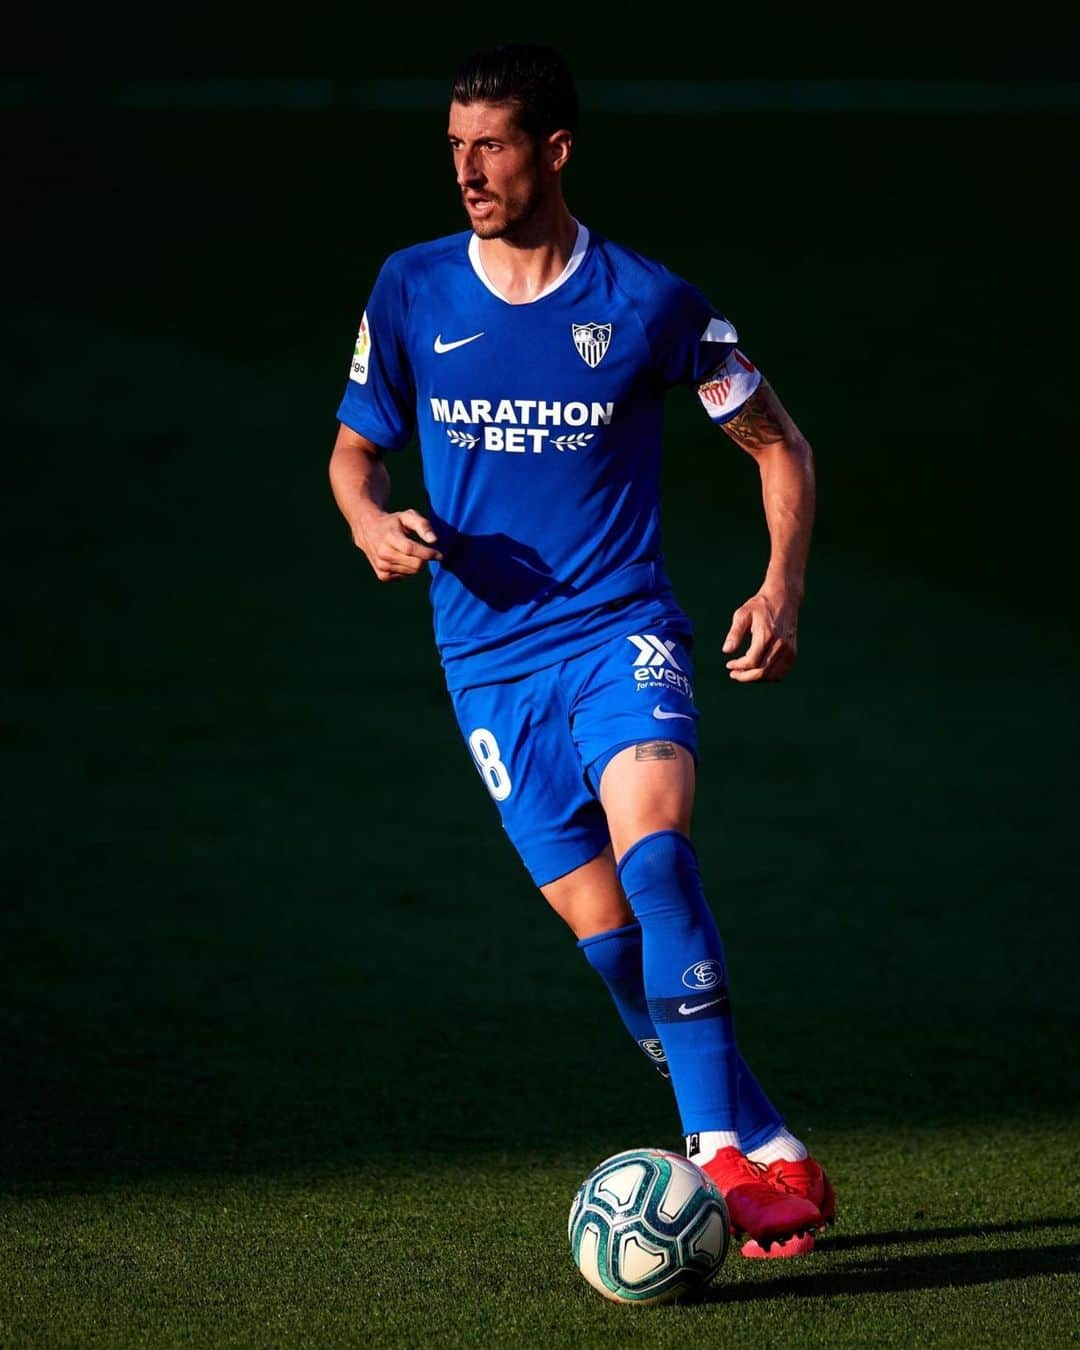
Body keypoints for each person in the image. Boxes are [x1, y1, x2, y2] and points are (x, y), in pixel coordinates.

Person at [329, 43, 830, 1258]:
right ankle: (776, 1154)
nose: (468, 171)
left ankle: (711, 1156)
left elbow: (781, 448)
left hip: (620, 632)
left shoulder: (646, 302)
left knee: (658, 865)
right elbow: (354, 455)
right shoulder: (410, 290)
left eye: (491, 144)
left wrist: (779, 586)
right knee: (611, 945)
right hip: (486, 667)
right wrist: (368, 522)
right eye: (454, 147)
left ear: (553, 149)